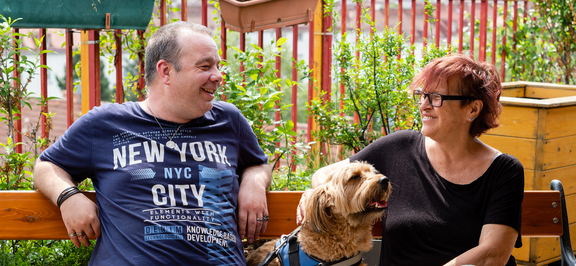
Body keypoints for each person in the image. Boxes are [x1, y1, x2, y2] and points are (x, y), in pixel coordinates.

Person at [33, 21, 271, 265]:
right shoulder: (106, 124)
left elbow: (258, 163)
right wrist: (68, 196)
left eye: (218, 66)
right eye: (205, 66)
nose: (219, 76)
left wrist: (254, 181)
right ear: (165, 71)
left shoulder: (227, 120)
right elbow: (46, 166)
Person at [297, 53, 524, 266]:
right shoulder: (398, 147)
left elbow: (493, 254)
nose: (424, 105)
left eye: (436, 97)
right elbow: (323, 174)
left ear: (472, 109)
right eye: (422, 95)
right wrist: (320, 194)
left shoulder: (504, 171)